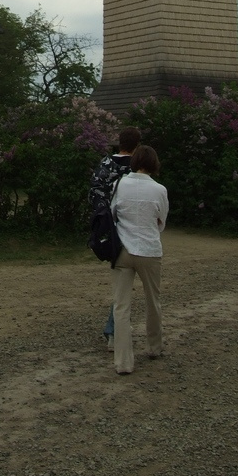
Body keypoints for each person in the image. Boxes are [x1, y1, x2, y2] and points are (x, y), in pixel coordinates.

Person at [110, 144, 168, 375]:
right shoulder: (160, 190)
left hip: (122, 250)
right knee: (153, 301)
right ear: (153, 164)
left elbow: (113, 214)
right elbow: (161, 221)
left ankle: (123, 362)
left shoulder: (118, 185)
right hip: (149, 250)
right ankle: (154, 346)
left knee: (121, 306)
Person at [90, 126, 141, 350]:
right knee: (124, 285)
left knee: (121, 281)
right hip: (133, 229)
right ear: (137, 146)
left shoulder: (104, 164)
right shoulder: (138, 169)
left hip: (110, 228)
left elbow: (95, 194)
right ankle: (114, 330)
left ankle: (114, 328)